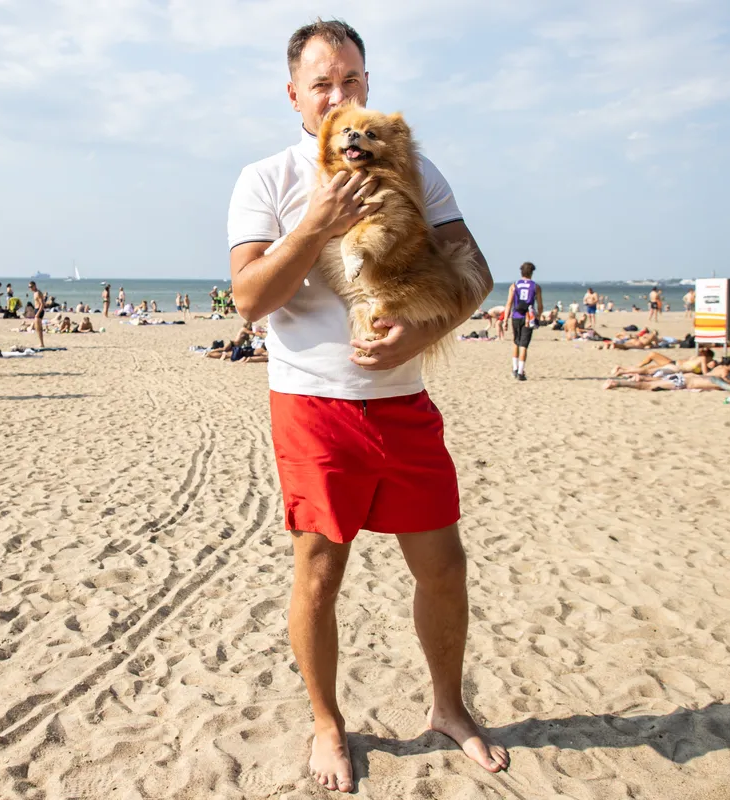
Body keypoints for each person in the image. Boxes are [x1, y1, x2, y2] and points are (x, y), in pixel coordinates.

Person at [227, 19, 506, 793]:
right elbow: (250, 300)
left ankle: (448, 707)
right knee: (319, 575)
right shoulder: (267, 180)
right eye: (322, 84)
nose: (339, 95)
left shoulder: (416, 166)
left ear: (369, 87)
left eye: (351, 80)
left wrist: (421, 334)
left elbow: (474, 270)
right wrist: (316, 221)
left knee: (444, 568)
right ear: (295, 98)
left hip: (403, 402)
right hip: (313, 406)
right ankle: (327, 724)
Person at [503, 262, 542, 380]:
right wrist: (538, 317)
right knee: (524, 345)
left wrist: (505, 320)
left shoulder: (514, 285)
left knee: (516, 342)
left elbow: (509, 303)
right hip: (528, 318)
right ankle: (521, 372)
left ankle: (514, 369)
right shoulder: (535, 286)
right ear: (532, 273)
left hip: (516, 316)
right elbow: (540, 305)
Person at [604, 369, 730, 392]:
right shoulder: (717, 380)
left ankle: (618, 382)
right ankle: (617, 383)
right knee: (646, 386)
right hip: (680, 382)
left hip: (679, 377)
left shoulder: (712, 377)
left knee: (649, 384)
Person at [610, 348, 715, 377]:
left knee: (649, 369)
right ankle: (623, 370)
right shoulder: (702, 360)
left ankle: (624, 369)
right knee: (648, 370)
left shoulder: (695, 357)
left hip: (675, 365)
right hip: (674, 366)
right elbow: (706, 374)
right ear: (709, 357)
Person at [29, 280, 47, 348]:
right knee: (37, 328)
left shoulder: (38, 293)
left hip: (39, 310)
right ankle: (41, 343)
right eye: (29, 287)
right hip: (37, 310)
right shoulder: (35, 293)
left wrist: (38, 313)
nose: (30, 288)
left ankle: (42, 344)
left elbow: (42, 304)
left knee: (38, 328)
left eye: (31, 286)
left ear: (34, 286)